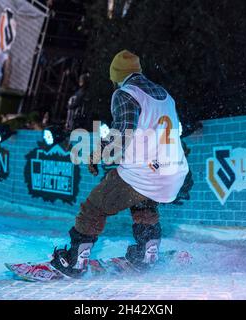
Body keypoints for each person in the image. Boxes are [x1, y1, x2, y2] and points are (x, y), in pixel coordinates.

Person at [49, 50, 189, 278]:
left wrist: (97, 155)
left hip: (144, 172)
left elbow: (123, 133)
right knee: (143, 203)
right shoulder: (165, 94)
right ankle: (147, 252)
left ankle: (75, 261)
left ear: (116, 76)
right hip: (172, 172)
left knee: (94, 207)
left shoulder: (126, 94)